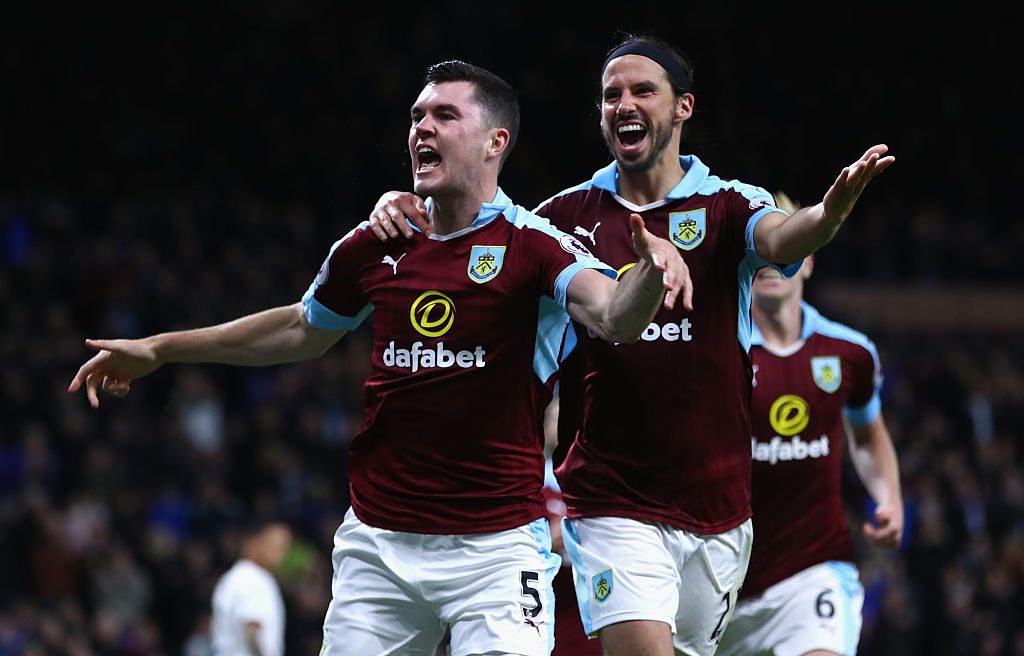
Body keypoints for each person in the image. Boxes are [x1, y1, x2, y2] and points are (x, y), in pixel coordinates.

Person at [68, 60, 690, 656]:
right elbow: (297, 328)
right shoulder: (374, 243)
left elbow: (614, 316)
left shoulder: (533, 245)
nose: (422, 127)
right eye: (418, 116)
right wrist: (160, 348)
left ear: (495, 141)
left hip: (496, 550)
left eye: (445, 116)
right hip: (379, 547)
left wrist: (650, 270)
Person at [366, 35, 894, 656]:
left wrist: (827, 216)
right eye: (611, 95)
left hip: (718, 509)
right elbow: (480, 229)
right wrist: (410, 201)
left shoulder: (726, 205)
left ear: (682, 108)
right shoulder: (564, 216)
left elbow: (782, 239)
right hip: (609, 500)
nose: (623, 104)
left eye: (643, 90)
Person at [715, 192, 903, 656]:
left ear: (809, 260)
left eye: (782, 251)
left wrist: (889, 498)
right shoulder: (717, 355)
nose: (770, 265)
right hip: (722, 582)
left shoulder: (850, 353)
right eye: (757, 255)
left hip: (812, 571)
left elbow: (867, 433)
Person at [211, 521, 292, 656]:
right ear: (254, 543)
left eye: (284, 548)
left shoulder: (234, 576)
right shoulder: (253, 578)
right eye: (276, 547)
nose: (281, 555)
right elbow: (252, 631)